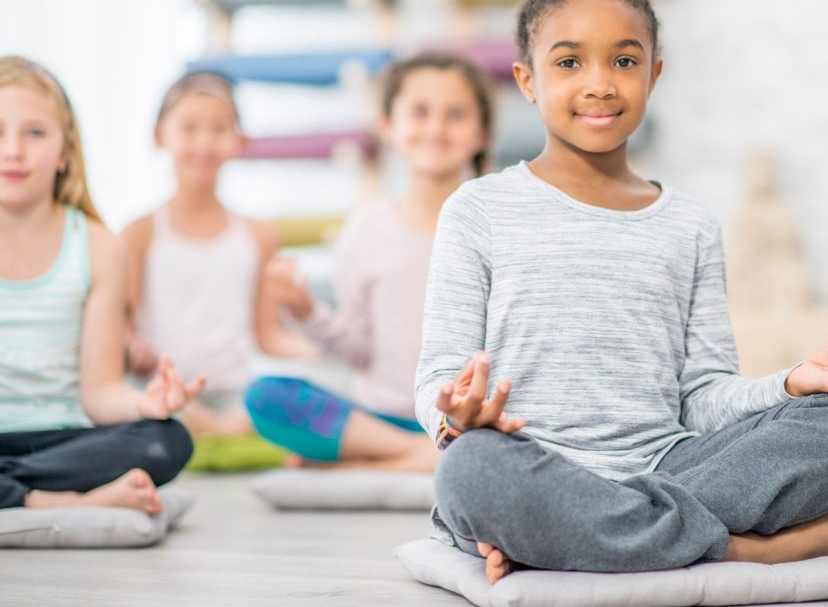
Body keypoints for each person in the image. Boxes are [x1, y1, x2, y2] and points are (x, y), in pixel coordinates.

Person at [414, 0, 828, 584]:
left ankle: (585, 537)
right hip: (529, 465)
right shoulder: (476, 209)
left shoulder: (690, 225)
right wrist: (457, 418)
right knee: (471, 474)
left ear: (655, 74)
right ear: (527, 80)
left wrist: (794, 383)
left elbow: (701, 398)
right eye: (569, 63)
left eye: (624, 61)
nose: (599, 84)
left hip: (671, 467)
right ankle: (749, 550)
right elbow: (437, 377)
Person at [245, 53, 493, 471]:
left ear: (481, 133)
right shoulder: (365, 229)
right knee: (266, 397)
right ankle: (417, 455)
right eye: (419, 112)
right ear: (387, 126)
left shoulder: (494, 227)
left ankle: (371, 463)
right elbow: (358, 350)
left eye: (455, 115)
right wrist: (304, 311)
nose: (435, 127)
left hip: (466, 421)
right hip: (380, 417)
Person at [0, 56, 202, 513]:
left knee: (165, 439)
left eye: (34, 133)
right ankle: (48, 502)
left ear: (65, 153)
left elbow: (99, 392)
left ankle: (17, 494)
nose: (13, 150)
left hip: (64, 442)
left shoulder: (99, 248)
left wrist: (145, 404)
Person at [122, 71, 311, 437]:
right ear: (160, 135)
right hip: (165, 391)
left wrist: (322, 352)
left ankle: (219, 431)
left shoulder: (260, 235)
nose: (204, 143)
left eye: (219, 129)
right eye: (189, 128)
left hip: (237, 395)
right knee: (152, 406)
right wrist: (133, 349)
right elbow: (126, 332)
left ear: (239, 140)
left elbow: (268, 334)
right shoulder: (138, 233)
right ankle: (218, 432)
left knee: (280, 397)